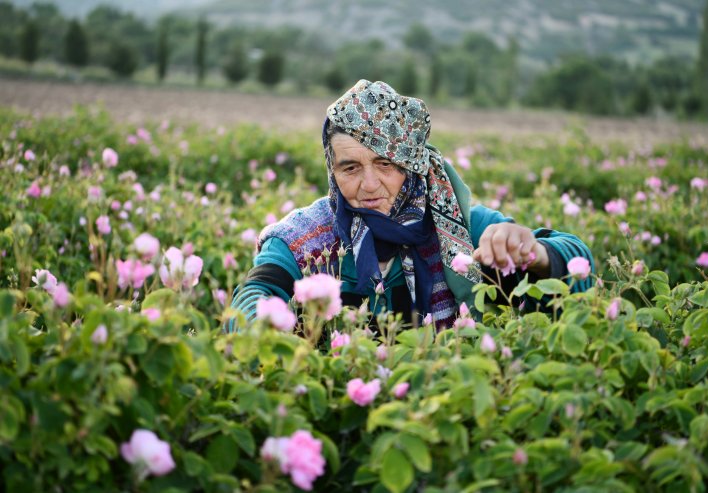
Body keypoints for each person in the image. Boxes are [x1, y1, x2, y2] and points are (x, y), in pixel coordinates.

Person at [226, 79, 593, 333]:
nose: (369, 185)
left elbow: (578, 263)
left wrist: (535, 251)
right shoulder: (300, 238)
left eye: (385, 164)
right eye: (350, 168)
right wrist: (259, 326)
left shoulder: (458, 224)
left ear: (412, 165)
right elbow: (254, 293)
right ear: (332, 171)